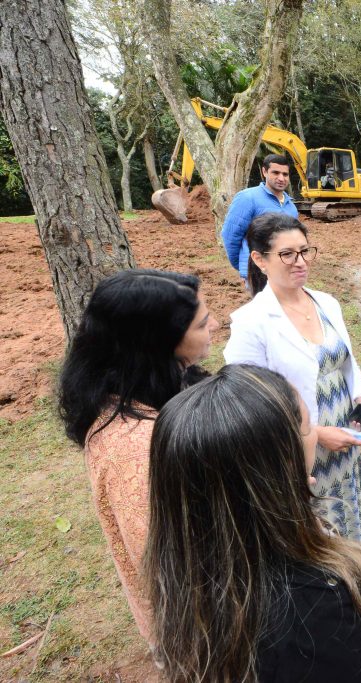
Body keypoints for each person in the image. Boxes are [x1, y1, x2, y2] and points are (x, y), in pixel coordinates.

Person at [144, 364, 361, 681]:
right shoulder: (310, 604)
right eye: (306, 428)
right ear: (279, 461)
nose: (315, 434)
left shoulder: (188, 573)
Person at [57, 269, 219, 641]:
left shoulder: (153, 390)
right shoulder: (135, 448)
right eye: (201, 323)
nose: (214, 325)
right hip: (201, 629)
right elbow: (175, 560)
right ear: (161, 343)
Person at [223, 213, 361, 542]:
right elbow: (249, 405)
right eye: (287, 254)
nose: (300, 262)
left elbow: (345, 363)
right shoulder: (250, 323)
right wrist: (317, 433)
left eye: (305, 251)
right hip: (299, 450)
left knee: (349, 529)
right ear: (259, 260)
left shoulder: (327, 303)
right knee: (318, 540)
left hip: (345, 436)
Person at [221, 154, 299, 284]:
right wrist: (245, 267)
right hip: (258, 273)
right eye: (275, 172)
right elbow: (231, 236)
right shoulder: (247, 198)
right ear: (264, 171)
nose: (281, 178)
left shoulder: (291, 206)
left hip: (285, 272)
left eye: (285, 174)